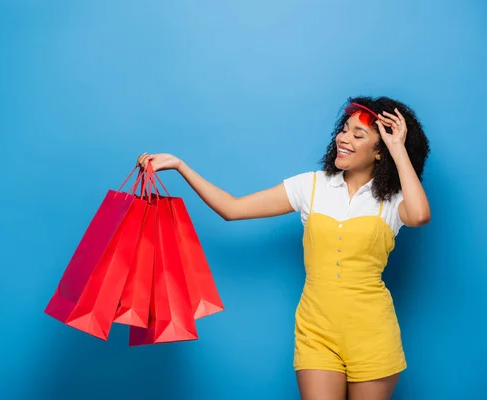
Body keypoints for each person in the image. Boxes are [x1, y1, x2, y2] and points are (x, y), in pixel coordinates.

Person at [136, 96, 431, 400]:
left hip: (373, 332)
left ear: (380, 151)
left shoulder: (394, 200)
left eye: (358, 135)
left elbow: (420, 215)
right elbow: (232, 208)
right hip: (317, 332)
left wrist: (397, 148)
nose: (344, 137)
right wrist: (180, 165)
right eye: (344, 129)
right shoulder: (311, 186)